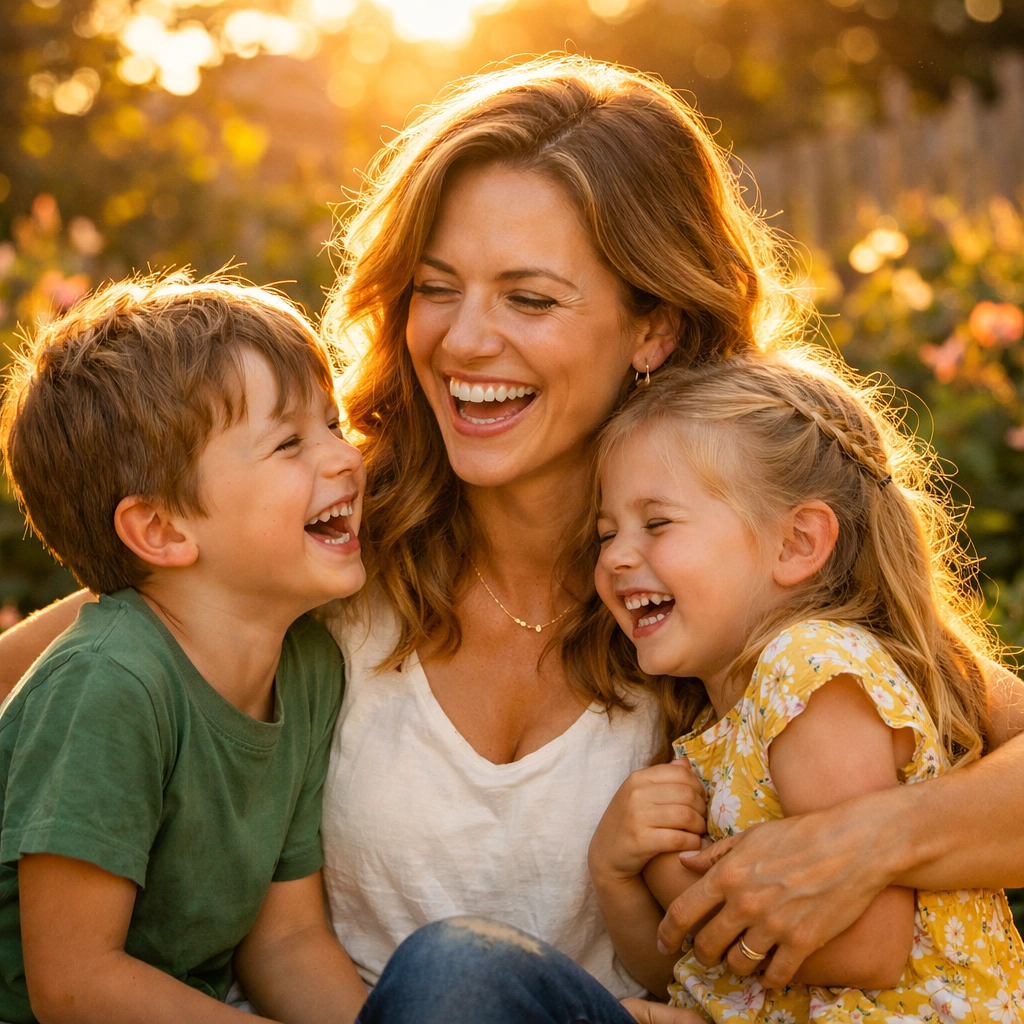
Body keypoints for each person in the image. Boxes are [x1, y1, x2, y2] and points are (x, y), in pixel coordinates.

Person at [1, 56, 1023, 1017]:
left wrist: (869, 841)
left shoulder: (715, 579)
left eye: (528, 297)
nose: (462, 339)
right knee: (453, 973)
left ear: (652, 327)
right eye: (435, 288)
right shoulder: (317, 538)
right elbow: (68, 681)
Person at [590, 353, 1024, 1020]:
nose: (616, 555)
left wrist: (667, 875)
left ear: (796, 542)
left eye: (657, 523)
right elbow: (681, 973)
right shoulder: (722, 717)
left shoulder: (811, 669)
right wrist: (617, 870)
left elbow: (866, 948)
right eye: (606, 532)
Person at [0, 273, 369, 1024]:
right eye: (290, 442)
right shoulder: (109, 686)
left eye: (332, 424)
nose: (345, 459)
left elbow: (287, 942)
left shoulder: (307, 669)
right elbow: (73, 983)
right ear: (163, 531)